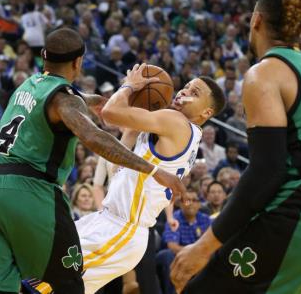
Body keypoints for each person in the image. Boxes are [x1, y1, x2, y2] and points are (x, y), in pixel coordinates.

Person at [0, 28, 185, 294]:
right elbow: (93, 137)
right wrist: (153, 169)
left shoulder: (29, 84)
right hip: (27, 194)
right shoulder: (63, 100)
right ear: (78, 62)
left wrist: (117, 95)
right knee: (67, 283)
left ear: (45, 58)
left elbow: (74, 101)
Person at [170, 0, 301, 293]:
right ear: (299, 30)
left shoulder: (266, 71)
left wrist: (202, 247)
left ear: (255, 20)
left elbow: (266, 171)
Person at [76, 63, 226, 294]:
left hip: (120, 229)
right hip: (111, 223)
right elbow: (118, 157)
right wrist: (134, 120)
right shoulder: (177, 130)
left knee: (47, 276)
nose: (184, 92)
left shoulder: (175, 122)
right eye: (185, 87)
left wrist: (129, 86)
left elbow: (109, 114)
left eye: (194, 93)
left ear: (206, 113)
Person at [156, 189, 212, 294]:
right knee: (167, 255)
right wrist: (195, 253)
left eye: (194, 200)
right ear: (180, 204)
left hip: (199, 254)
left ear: (199, 204)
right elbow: (172, 246)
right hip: (177, 255)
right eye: (187, 200)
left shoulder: (206, 219)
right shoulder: (174, 218)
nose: (190, 203)